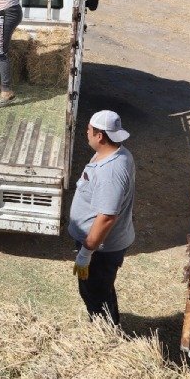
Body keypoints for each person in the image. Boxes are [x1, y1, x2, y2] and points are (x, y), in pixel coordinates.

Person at [67, 110, 136, 326]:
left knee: (95, 293)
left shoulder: (110, 173)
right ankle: (105, 323)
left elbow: (106, 217)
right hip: (101, 246)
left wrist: (86, 252)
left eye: (89, 130)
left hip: (101, 249)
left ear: (99, 136)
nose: (85, 133)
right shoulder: (115, 152)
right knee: (101, 288)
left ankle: (105, 332)